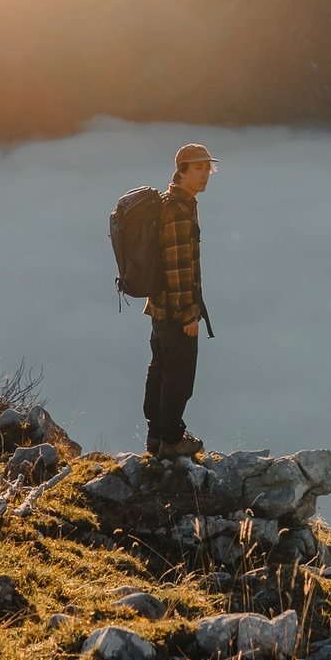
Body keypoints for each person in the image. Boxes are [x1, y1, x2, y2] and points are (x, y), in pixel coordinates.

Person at [143, 142, 216, 457]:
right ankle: (171, 439)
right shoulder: (177, 210)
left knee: (160, 369)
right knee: (179, 376)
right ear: (181, 171)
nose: (205, 175)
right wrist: (188, 315)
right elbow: (177, 266)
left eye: (207, 168)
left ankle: (157, 436)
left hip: (160, 308)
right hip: (175, 312)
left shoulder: (176, 203)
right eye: (198, 168)